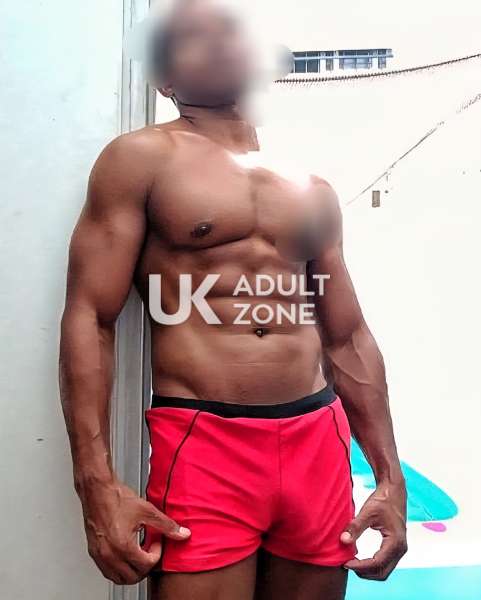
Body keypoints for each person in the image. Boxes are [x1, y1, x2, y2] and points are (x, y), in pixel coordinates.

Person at [59, 1, 407, 598]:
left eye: (229, 29)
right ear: (165, 80)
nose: (221, 41)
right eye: (194, 36)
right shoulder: (140, 159)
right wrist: (95, 483)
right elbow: (90, 318)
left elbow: (346, 336)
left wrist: (389, 477)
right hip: (205, 439)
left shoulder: (310, 186)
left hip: (317, 437)